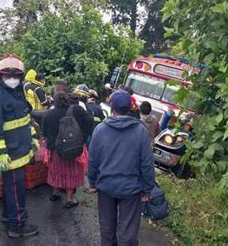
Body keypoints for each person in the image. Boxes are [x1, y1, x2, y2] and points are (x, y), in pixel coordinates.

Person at [88, 90, 155, 246]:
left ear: (112, 108)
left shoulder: (100, 130)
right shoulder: (141, 132)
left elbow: (93, 159)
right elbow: (147, 164)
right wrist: (147, 188)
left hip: (106, 187)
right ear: (131, 108)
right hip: (131, 189)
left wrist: (92, 182)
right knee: (128, 231)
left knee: (107, 227)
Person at [0, 54, 39, 238]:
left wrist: (33, 140)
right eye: (8, 75)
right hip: (9, 155)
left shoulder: (16, 93)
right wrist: (0, 154)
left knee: (11, 187)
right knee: (16, 189)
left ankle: (9, 216)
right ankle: (18, 226)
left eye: (16, 76)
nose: (12, 79)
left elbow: (23, 121)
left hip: (21, 151)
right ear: (0, 76)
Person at [42, 91, 94, 209]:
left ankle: (55, 193)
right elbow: (90, 121)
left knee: (57, 171)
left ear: (54, 101)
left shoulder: (48, 114)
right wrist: (83, 137)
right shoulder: (76, 110)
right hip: (73, 148)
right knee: (71, 172)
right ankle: (70, 199)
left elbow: (44, 132)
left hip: (56, 150)